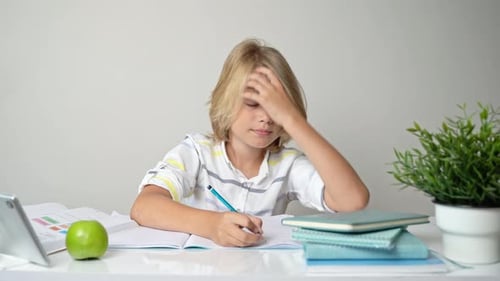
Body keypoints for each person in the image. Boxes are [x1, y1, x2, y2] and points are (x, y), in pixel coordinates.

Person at [130, 38, 369, 247]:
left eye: (276, 108)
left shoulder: (288, 165)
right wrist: (212, 225)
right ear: (226, 101)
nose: (266, 117)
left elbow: (353, 201)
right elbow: (144, 207)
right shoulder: (197, 152)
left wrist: (293, 120)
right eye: (253, 104)